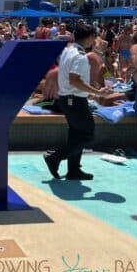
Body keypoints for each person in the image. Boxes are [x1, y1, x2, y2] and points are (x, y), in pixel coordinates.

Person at [43, 24, 111, 180]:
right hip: (75, 100)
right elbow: (74, 80)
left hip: (68, 99)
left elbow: (72, 77)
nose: (96, 40)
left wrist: (89, 87)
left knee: (76, 135)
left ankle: (73, 170)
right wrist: (96, 92)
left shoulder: (68, 50)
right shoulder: (80, 56)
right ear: (89, 38)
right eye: (95, 36)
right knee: (88, 135)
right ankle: (55, 157)